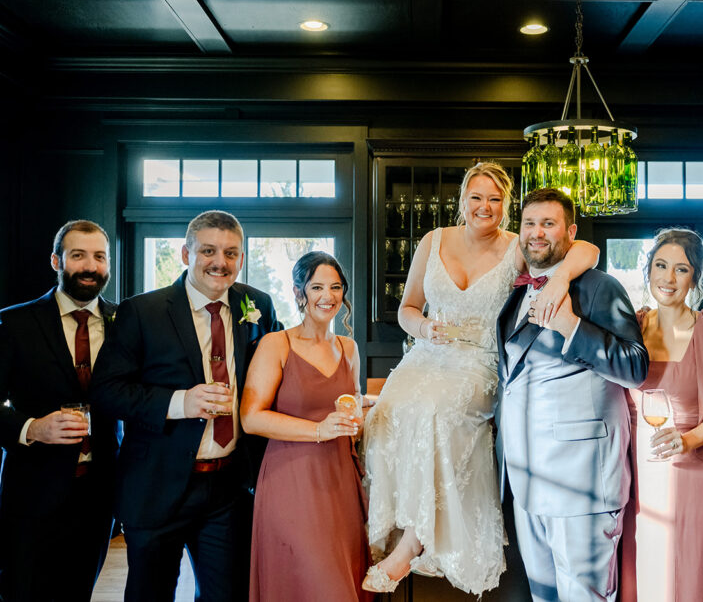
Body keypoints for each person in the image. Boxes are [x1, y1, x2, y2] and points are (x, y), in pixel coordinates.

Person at [360, 164, 599, 595]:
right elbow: (407, 309)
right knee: (387, 411)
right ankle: (392, 529)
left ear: (506, 207)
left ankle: (414, 542)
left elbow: (587, 251)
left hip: (482, 361)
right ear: (462, 201)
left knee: (436, 411)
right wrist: (423, 329)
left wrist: (560, 276)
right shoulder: (433, 241)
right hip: (428, 354)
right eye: (476, 196)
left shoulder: (517, 246)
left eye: (494, 199)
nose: (483, 206)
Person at [92, 210, 281, 602]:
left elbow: (277, 378)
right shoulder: (141, 311)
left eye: (231, 253)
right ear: (185, 253)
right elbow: (107, 391)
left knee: (227, 594)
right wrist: (180, 402)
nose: (220, 262)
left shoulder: (257, 304)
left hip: (229, 487)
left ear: (241, 259)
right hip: (156, 484)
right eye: (208, 251)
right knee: (151, 593)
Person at [496, 187, 648, 602]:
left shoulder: (599, 287)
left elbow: (635, 367)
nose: (537, 233)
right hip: (528, 480)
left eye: (548, 223)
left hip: (583, 480)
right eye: (529, 223)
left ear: (571, 232)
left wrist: (571, 325)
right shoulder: (517, 290)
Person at [241, 251, 372, 602]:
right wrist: (318, 430)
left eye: (335, 287)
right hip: (290, 479)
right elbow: (251, 418)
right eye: (317, 287)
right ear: (300, 293)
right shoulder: (276, 344)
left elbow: (353, 407)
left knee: (345, 577)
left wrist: (356, 420)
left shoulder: (349, 347)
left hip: (340, 479)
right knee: (316, 582)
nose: (327, 296)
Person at [620, 228, 703, 602]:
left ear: (695, 277)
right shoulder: (632, 326)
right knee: (647, 568)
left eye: (681, 269)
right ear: (648, 270)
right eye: (660, 266)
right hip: (637, 468)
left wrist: (687, 440)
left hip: (695, 467)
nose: (668, 279)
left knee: (692, 571)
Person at [0, 220, 118, 601]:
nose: (90, 266)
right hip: (32, 491)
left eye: (100, 256)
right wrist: (32, 428)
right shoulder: (14, 322)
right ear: (56, 260)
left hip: (99, 494)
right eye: (78, 255)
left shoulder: (127, 323)